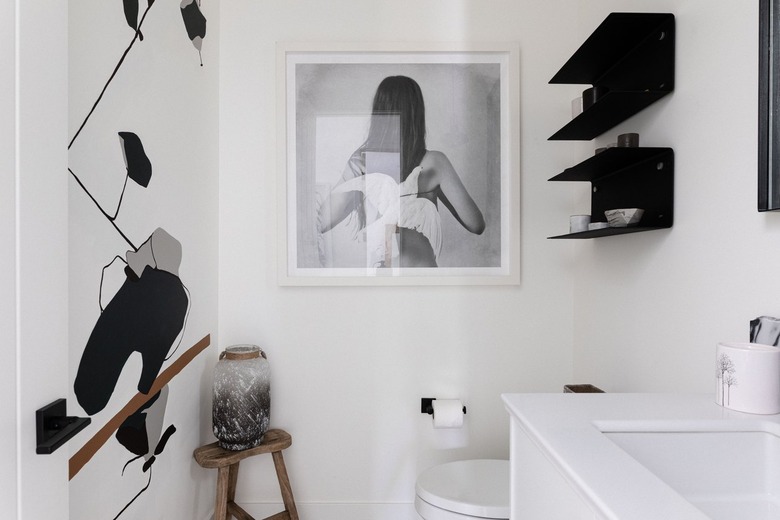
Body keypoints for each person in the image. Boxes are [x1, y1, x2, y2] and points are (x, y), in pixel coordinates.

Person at [317, 75, 485, 268]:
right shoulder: (435, 163)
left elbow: (321, 222)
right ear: (417, 114)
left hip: (383, 281)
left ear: (379, 114)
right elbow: (476, 224)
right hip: (423, 281)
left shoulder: (361, 162)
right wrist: (434, 189)